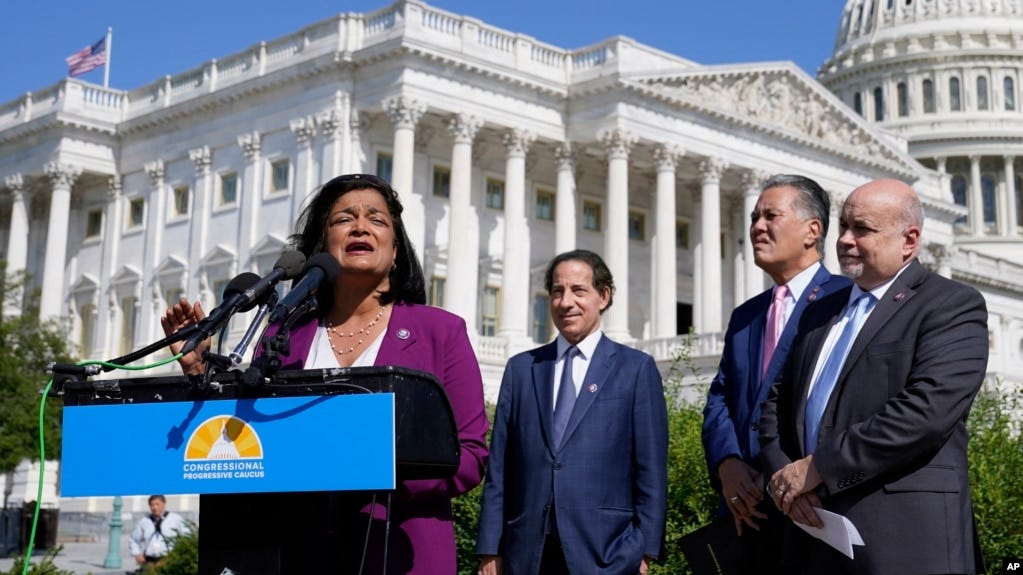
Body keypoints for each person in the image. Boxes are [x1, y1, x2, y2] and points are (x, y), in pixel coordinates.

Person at [161, 173, 489, 575]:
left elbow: (471, 455)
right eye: (344, 219)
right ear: (322, 246)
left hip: (400, 548)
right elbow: (245, 440)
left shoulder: (441, 332)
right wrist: (200, 374)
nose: (361, 226)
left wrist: (374, 472)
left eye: (377, 220)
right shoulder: (283, 334)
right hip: (297, 547)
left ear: (396, 249)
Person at [759, 179, 988, 574]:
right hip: (812, 535)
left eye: (862, 229)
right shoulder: (818, 311)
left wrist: (818, 468)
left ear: (909, 241)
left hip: (903, 541)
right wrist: (787, 481)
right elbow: (776, 403)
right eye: (844, 226)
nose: (845, 240)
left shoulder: (951, 306)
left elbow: (924, 413)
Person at [476, 249, 668, 575]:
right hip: (527, 554)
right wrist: (489, 549)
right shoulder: (522, 370)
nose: (566, 302)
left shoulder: (635, 370)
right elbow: (500, 470)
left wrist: (645, 549)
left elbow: (650, 468)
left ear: (603, 296)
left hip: (607, 553)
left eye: (578, 291)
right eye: (557, 291)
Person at [701, 174, 849, 567]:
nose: (756, 227)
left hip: (813, 508)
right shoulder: (746, 315)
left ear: (812, 231)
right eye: (753, 218)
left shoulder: (845, 301)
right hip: (745, 511)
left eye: (770, 216)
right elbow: (720, 396)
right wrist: (728, 463)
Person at [128, 495, 188, 567]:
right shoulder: (144, 521)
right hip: (149, 562)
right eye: (152, 505)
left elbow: (187, 537)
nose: (155, 507)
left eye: (157, 504)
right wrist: (137, 554)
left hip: (169, 561)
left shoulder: (175, 519)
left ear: (164, 504)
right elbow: (133, 540)